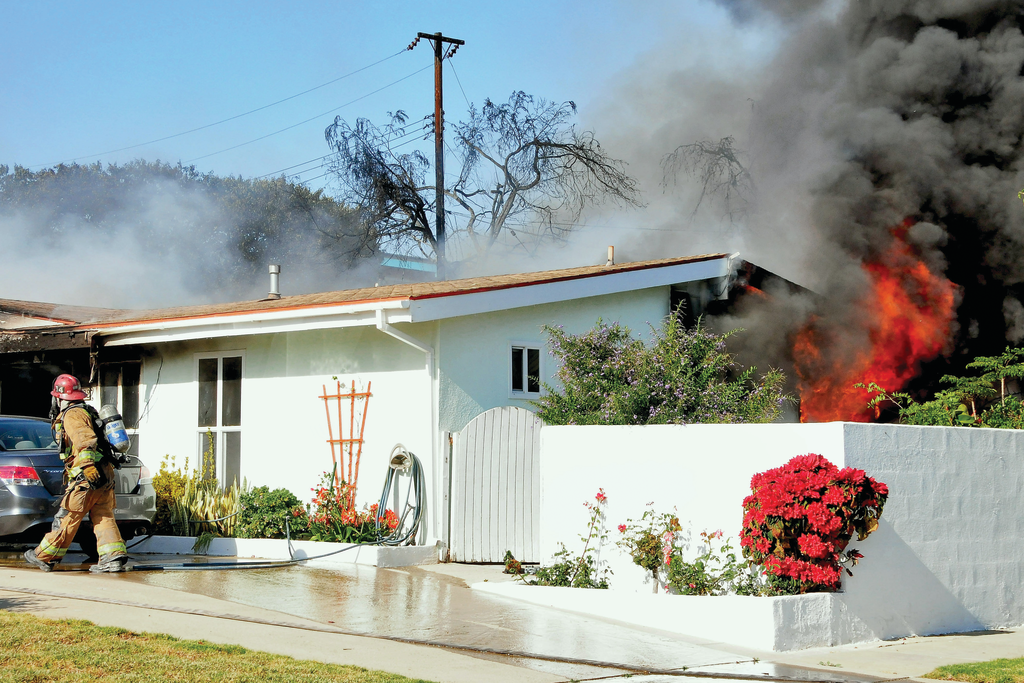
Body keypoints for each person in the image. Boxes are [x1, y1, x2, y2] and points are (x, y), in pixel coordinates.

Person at [24, 374, 128, 573]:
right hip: (105, 474)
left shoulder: (72, 415)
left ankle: (45, 556)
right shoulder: (87, 410)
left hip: (88, 476)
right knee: (103, 516)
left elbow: (84, 439)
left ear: (59, 397)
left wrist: (87, 465)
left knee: (68, 516)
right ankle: (113, 557)